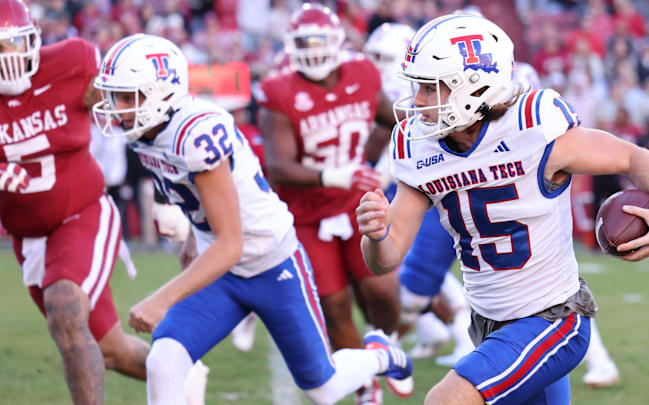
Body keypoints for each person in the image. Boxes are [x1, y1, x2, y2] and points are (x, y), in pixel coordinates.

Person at [356, 14, 649, 405]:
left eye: (430, 88)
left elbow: (632, 157)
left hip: (552, 319)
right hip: (489, 324)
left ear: (471, 86)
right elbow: (386, 258)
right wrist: (375, 235)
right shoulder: (419, 147)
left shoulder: (532, 127)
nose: (418, 102)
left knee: (445, 400)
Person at [92, 33, 412, 405]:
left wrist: (162, 299)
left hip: (269, 263)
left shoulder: (196, 134)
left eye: (130, 97)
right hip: (222, 272)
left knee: (322, 389)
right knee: (163, 361)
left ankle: (379, 354)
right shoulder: (146, 131)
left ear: (164, 92)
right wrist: (193, 239)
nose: (119, 108)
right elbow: (199, 200)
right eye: (116, 97)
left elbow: (232, 244)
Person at [0, 1, 149, 403]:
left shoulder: (72, 61)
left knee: (64, 305)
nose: (7, 60)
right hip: (28, 237)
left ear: (32, 40)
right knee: (111, 349)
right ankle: (182, 378)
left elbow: (129, 103)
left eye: (12, 45)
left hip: (81, 212)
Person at [258, 4, 408, 401]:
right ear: (291, 46)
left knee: (384, 290)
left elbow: (398, 120)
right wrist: (337, 175)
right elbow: (279, 167)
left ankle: (385, 343)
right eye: (305, 42)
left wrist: (392, 163)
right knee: (335, 306)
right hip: (306, 214)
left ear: (338, 42)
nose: (313, 50)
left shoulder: (362, 74)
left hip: (356, 203)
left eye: (320, 41)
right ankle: (365, 387)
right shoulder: (279, 92)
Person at [364, 21, 475, 367]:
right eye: (375, 55)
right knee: (421, 270)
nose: (378, 62)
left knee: (421, 274)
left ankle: (392, 343)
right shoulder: (397, 92)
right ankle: (433, 332)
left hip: (427, 184)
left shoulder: (422, 99)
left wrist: (376, 176)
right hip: (406, 181)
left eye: (385, 56)